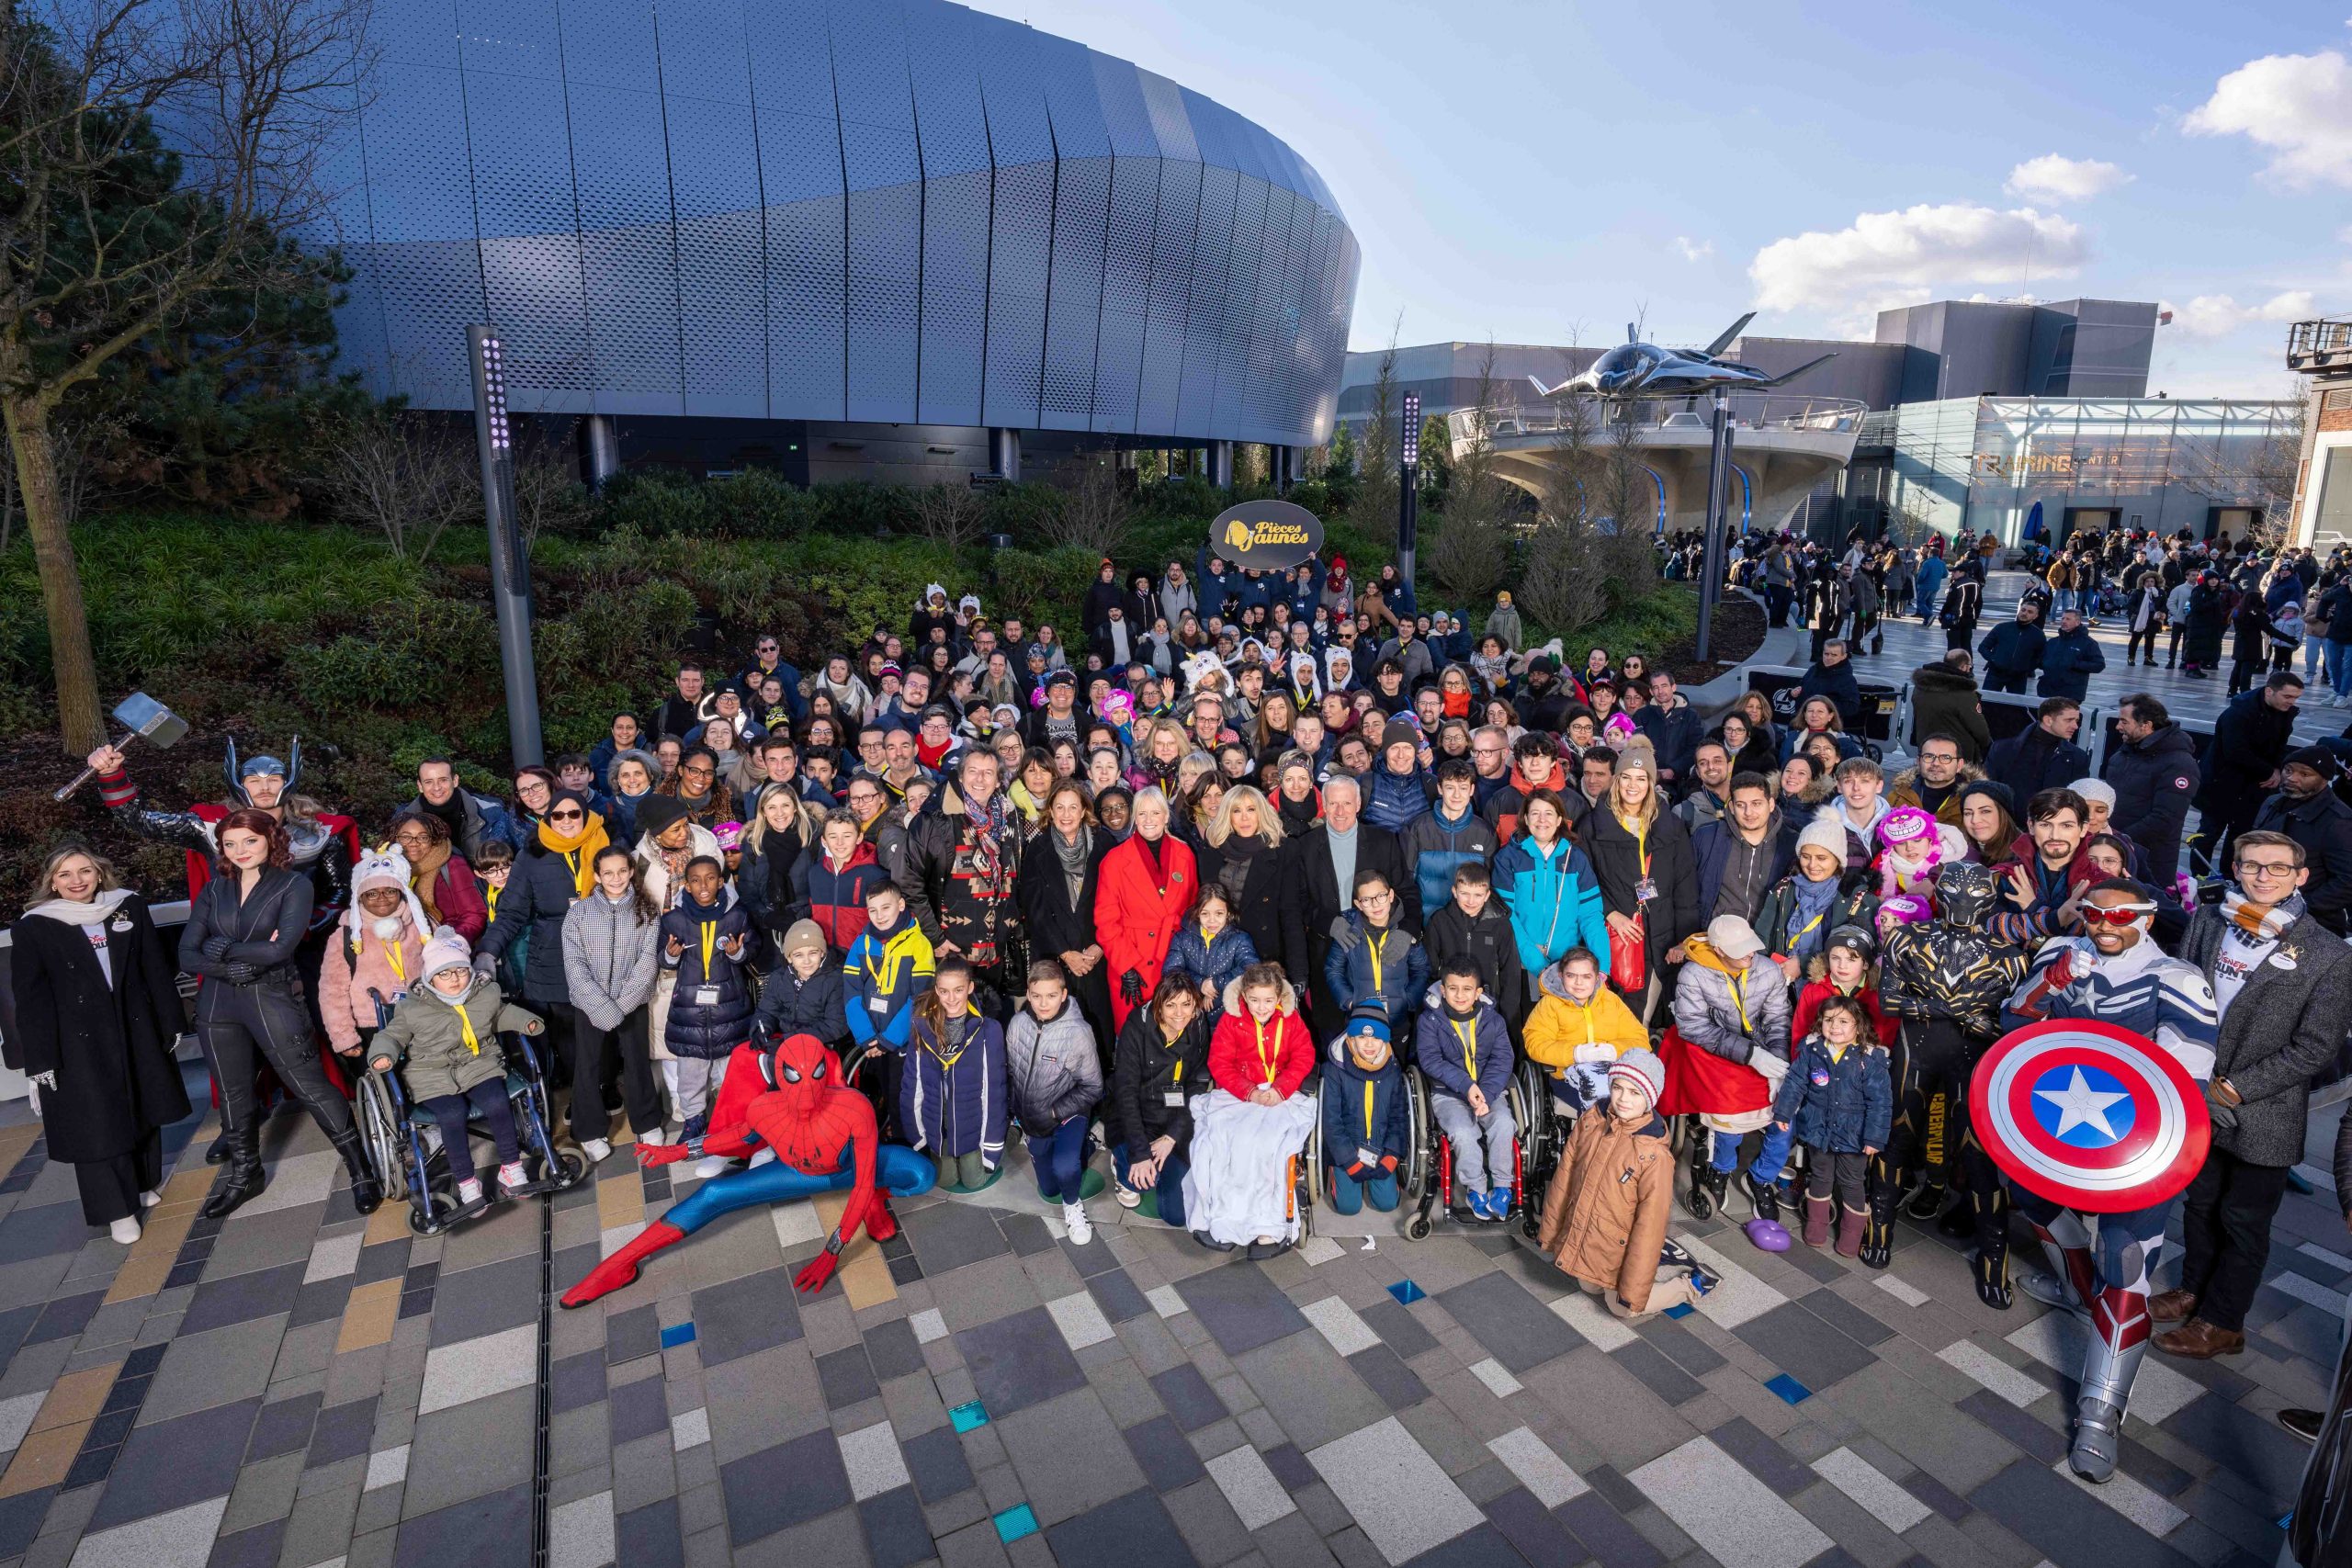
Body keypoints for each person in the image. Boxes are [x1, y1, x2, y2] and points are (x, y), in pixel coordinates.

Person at [2002, 879, 2219, 1483]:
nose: (2105, 922)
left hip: (2139, 1149)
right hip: (2056, 1134)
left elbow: (2184, 1082)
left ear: (2147, 918)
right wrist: (2048, 984)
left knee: (2126, 1261)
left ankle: (2101, 1410)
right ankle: (2078, 1290)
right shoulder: (2058, 955)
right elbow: (2011, 1023)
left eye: (2122, 913)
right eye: (2096, 911)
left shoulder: (2178, 980)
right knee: (2028, 1197)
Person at [2158, 832, 2352, 1359]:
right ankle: (2193, 1289)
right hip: (2198, 1092)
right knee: (2199, 1205)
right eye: (2252, 866)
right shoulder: (2208, 922)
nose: (2264, 877)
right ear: (2237, 870)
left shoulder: (2328, 954)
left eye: (2278, 868)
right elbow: (2180, 993)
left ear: (2300, 876)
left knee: (2243, 1220)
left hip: (2264, 1110)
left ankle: (2223, 1323)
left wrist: (2237, 1088)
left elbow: (2316, 1047)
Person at [179, 809, 379, 1219]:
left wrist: (221, 947)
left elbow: (281, 949)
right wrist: (235, 963)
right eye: (230, 843)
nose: (240, 851)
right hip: (219, 1004)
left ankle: (362, 1170)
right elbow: (186, 954)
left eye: (249, 841)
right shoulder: (216, 889)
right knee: (234, 1094)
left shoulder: (293, 885)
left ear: (271, 839)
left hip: (272, 998)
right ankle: (244, 1175)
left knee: (311, 1085)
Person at [10, 844, 191, 1243]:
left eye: (84, 871)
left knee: (143, 1107)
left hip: (134, 1027)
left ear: (99, 872)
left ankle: (142, 1184)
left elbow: (153, 968)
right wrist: (39, 1064)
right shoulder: (35, 926)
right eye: (65, 874)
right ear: (52, 883)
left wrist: (171, 1021)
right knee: (96, 1124)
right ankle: (117, 1210)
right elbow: (31, 1000)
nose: (77, 881)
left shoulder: (128, 907)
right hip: (76, 1043)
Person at [1877, 862, 2039, 1302]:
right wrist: (1958, 1012)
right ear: (1941, 897)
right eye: (1956, 897)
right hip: (1918, 1054)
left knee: (1979, 1158)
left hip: (1972, 1062)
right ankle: (1878, 1229)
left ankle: (1994, 1258)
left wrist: (1979, 1024)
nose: (1964, 907)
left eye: (1974, 899)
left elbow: (2012, 1026)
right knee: (1898, 1138)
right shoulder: (1908, 938)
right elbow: (1889, 1000)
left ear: (1989, 901)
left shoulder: (2009, 957)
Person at [369, 930, 547, 1219]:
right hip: (431, 1073)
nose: (454, 979)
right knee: (451, 1115)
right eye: (445, 974)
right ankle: (467, 1183)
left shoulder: (484, 993)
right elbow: (392, 1035)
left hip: (478, 1064)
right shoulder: (412, 1007)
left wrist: (525, 1022)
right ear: (430, 977)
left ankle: (511, 1169)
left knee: (497, 1102)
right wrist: (382, 1055)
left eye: (460, 971)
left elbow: (501, 1015)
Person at [1532, 1048, 1715, 1319]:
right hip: (1594, 1231)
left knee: (1622, 1307)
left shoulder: (1653, 1155)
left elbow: (1649, 1224)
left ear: (1650, 1099)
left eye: (1635, 1092)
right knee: (1589, 1285)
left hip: (1623, 1241)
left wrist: (1633, 1289)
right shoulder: (1593, 1119)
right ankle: (1661, 1256)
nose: (1623, 1099)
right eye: (1618, 1088)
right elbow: (1565, 1177)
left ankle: (1692, 1285)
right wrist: (1550, 1233)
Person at [1660, 914, 1794, 1224]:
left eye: (1750, 945)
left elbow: (1778, 1020)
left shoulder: (1769, 970)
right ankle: (1720, 1169)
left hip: (1762, 1049)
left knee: (1788, 1111)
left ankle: (1760, 1177)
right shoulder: (1693, 974)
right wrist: (1749, 1055)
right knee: (1730, 1112)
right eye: (1740, 948)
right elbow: (1694, 1028)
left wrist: (1775, 1063)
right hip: (1717, 1051)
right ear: (1719, 950)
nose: (1750, 952)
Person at [1184, 963, 1318, 1257]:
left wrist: (1281, 1087)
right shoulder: (1232, 1021)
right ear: (1244, 995)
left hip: (1280, 1094)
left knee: (1269, 1147)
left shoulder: (1292, 1019)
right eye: (1255, 1000)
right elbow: (1220, 1063)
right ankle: (1220, 1219)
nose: (1262, 1007)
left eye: (1269, 1000)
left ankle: (1268, 1226)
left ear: (1279, 997)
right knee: (1216, 1143)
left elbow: (1304, 1056)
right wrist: (1250, 1092)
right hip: (1240, 1094)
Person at [1585, 752, 1700, 1024]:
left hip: (1661, 932)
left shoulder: (1670, 826)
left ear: (1651, 783)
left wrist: (1684, 939)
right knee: (1611, 1013)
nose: (1632, 785)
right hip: (1615, 933)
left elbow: (1685, 887)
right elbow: (1582, 882)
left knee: (1643, 1019)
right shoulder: (1592, 825)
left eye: (1641, 778)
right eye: (1626, 777)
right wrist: (1610, 912)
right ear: (1616, 780)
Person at [1771, 994, 1892, 1254]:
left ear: (1858, 1026)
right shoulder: (1812, 1050)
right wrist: (1783, 1113)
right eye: (1828, 1020)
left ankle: (1850, 1237)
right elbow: (1795, 1083)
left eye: (1843, 1021)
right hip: (1818, 1130)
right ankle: (1816, 1225)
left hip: (1854, 1134)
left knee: (1852, 1182)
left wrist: (1874, 1138)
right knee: (1821, 1175)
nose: (1834, 1027)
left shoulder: (1870, 1059)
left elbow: (1880, 1102)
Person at [659, 856, 755, 1154]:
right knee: (691, 1073)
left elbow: (752, 948)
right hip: (690, 1012)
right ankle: (693, 1119)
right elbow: (661, 958)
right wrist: (670, 955)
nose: (704, 885)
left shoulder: (736, 915)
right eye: (696, 880)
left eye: (711, 878)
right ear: (686, 886)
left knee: (731, 1072)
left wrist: (738, 953)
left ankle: (733, 1120)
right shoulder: (673, 919)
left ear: (721, 881)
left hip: (730, 1009)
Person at [1005, 960, 1104, 1243]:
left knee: (1066, 1170)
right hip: (1033, 1122)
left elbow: (1093, 1087)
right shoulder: (1017, 1024)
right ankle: (1089, 1144)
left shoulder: (1078, 1032)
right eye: (1036, 996)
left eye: (1051, 996)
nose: (1043, 1003)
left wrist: (1053, 1110)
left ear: (1063, 994)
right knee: (1049, 1188)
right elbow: (1012, 1072)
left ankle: (1073, 1207)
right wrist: (1016, 1112)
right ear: (1028, 993)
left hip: (1066, 1115)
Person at [1015, 780, 1113, 1055]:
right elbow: (1033, 909)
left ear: (1084, 810)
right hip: (1055, 954)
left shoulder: (1104, 844)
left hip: (1095, 953)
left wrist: (1100, 946)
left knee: (1098, 1032)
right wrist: (1065, 952)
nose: (1066, 814)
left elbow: (1117, 901)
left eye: (1073, 807)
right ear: (1051, 811)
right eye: (1060, 807)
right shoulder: (1038, 848)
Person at [1417, 960, 1519, 1219]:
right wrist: (1467, 1086)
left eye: (1466, 989)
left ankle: (1504, 1187)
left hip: (1489, 1092)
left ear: (1478, 992)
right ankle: (1476, 1187)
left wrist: (1485, 1092)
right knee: (1463, 1132)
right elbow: (1430, 1060)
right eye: (1453, 988)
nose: (1459, 995)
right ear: (1442, 989)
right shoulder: (1430, 1020)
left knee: (1504, 1124)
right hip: (1448, 1093)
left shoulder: (1493, 1021)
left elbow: (1502, 1059)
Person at [1096, 786, 1199, 1030]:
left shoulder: (1185, 854)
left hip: (1175, 961)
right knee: (1136, 1039)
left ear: (1166, 816)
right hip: (1134, 962)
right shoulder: (1114, 860)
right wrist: (1125, 966)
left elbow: (1193, 911)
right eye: (1142, 814)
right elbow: (1105, 920)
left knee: (1175, 1034)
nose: (1149, 820)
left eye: (1156, 813)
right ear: (1134, 818)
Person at [1108, 985, 1213, 1224]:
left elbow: (1197, 1088)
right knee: (1145, 1181)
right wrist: (1140, 1152)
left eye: (1186, 1004)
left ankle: (1159, 1165)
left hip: (1174, 1119)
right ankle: (1121, 1164)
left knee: (1177, 1215)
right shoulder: (1137, 1027)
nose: (1179, 1013)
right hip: (1139, 1116)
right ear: (1159, 1006)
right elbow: (1126, 1093)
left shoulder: (1197, 1024)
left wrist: (1172, 1137)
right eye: (1171, 1005)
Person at [902, 956, 1007, 1192]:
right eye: (944, 991)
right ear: (936, 991)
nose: (951, 998)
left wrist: (992, 1145)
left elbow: (994, 1090)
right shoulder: (922, 1025)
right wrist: (917, 1132)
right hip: (938, 1120)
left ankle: (1011, 1134)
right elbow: (912, 1082)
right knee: (946, 1181)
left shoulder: (988, 1029)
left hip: (972, 1119)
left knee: (973, 1181)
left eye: (958, 990)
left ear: (970, 988)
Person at [318, 851, 431, 1066]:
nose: (382, 898)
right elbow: (332, 991)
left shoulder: (421, 925)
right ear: (360, 896)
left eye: (390, 891)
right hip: (371, 1024)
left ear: (401, 893)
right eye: (372, 893)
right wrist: (344, 1037)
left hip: (422, 1015)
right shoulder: (344, 937)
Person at [1195, 785, 1306, 986]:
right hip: (1222, 960)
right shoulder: (1210, 853)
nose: (1244, 818)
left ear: (1261, 813)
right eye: (1237, 811)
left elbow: (1291, 914)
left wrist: (1299, 974)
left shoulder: (1284, 851)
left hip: (1267, 960)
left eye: (1251, 809)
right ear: (1227, 816)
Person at [2198, 671, 2301, 857]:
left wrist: (2276, 769)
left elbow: (2280, 746)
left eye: (2295, 697)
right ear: (2269, 692)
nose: (2292, 701)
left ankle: (2231, 876)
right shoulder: (2239, 713)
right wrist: (2269, 771)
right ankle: (2199, 877)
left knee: (2240, 836)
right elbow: (2235, 751)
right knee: (2209, 833)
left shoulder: (2285, 714)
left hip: (2253, 786)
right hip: (2222, 782)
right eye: (2287, 696)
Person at [2251, 748, 2352, 936]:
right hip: (2260, 910)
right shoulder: (2272, 802)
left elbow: (2347, 882)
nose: (2292, 778)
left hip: (2311, 924)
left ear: (2324, 779)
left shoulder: (2339, 821)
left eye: (2305, 774)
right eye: (2288, 770)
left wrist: (2298, 907)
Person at [2102, 694, 2197, 890]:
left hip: (2150, 862)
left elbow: (2165, 819)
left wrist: (2118, 839)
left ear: (2146, 725)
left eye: (2124, 721)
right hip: (2115, 853)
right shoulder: (2125, 753)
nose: (2118, 726)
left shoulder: (2178, 763)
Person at [1322, 1008, 1410, 1215]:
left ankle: (1383, 1178)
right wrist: (1349, 1161)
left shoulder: (1393, 1069)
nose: (1369, 1044)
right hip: (1347, 1149)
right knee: (1348, 1207)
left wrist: (1392, 1155)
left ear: (1385, 1040)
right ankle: (1336, 1171)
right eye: (1362, 1037)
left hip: (1380, 1149)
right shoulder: (1334, 1069)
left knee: (1387, 1204)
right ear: (1351, 1039)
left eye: (1377, 1037)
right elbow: (1331, 1122)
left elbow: (1399, 1118)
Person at [1324, 868, 1428, 1029]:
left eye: (1380, 896)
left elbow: (1421, 969)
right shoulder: (1348, 931)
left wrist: (1408, 1000)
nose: (1375, 904)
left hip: (1398, 1019)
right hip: (1359, 1019)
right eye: (1366, 900)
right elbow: (1333, 969)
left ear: (1391, 896)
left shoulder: (1406, 931)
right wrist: (1349, 1001)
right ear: (1358, 904)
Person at [1422, 863, 1527, 1022]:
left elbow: (1510, 973)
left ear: (1487, 895)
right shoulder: (1439, 921)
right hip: (1449, 1005)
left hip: (1488, 1007)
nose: (1471, 901)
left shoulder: (1500, 925)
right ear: (1454, 892)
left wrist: (1508, 1016)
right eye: (1465, 893)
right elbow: (1428, 966)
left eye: (1478, 895)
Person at [387, 808, 488, 943]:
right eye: (405, 837)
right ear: (395, 839)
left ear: (433, 840)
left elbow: (475, 914)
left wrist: (449, 943)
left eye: (423, 837)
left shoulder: (453, 865)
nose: (413, 843)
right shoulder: (386, 868)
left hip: (444, 945)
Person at [405, 756, 522, 865]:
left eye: (443, 780)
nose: (437, 787)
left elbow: (513, 860)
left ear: (455, 780)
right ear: (420, 786)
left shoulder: (491, 813)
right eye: (428, 782)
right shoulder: (403, 820)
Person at [753, 919, 849, 1052]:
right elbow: (766, 1011)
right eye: (799, 955)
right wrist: (761, 1029)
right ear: (789, 958)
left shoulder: (835, 980)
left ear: (822, 953)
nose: (807, 961)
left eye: (813, 953)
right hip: (785, 1039)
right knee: (743, 1056)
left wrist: (790, 1040)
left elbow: (835, 1025)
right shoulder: (780, 978)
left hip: (821, 1044)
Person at [1984, 697, 2089, 807]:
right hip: (2009, 820)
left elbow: (2078, 800)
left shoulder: (2078, 757)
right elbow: (1986, 788)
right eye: (2069, 720)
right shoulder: (2003, 749)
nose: (2075, 726)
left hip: (2052, 821)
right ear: (2048, 720)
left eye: (2076, 721)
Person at [1907, 650, 1992, 762]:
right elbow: (1981, 731)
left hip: (1926, 748)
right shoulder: (1965, 694)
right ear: (1964, 667)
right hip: (1957, 755)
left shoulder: (1920, 687)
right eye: (1970, 666)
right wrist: (1989, 745)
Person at [2038, 607, 2107, 702]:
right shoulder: (2053, 641)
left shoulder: (2088, 643)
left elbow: (2099, 665)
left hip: (2071, 693)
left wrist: (2075, 664)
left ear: (2077, 622)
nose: (2064, 621)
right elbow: (2042, 660)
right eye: (2063, 618)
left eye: (2068, 619)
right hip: (2047, 691)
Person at [1978, 600, 2046, 694]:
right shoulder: (2002, 627)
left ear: (2035, 616)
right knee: (1986, 701)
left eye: (2030, 612)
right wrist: (1994, 660)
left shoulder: (2038, 635)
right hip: (1996, 673)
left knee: (2016, 706)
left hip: (2019, 676)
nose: (2025, 613)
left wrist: (2027, 667)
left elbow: (2040, 656)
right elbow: (1983, 647)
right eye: (2023, 610)